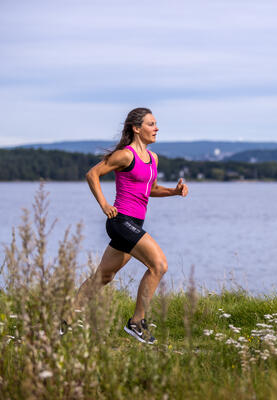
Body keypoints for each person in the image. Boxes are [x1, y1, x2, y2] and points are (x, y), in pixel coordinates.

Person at [64, 107, 188, 343]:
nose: (156, 128)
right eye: (151, 124)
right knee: (159, 265)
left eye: (156, 124)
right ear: (136, 128)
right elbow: (93, 174)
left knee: (105, 276)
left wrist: (173, 191)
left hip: (134, 224)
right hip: (120, 222)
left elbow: (149, 190)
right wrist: (103, 204)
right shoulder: (125, 155)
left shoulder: (153, 159)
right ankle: (136, 323)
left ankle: (66, 320)